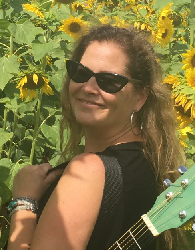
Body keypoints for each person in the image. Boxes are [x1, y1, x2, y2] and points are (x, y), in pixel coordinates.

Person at [7, 25, 186, 250]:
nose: (89, 87)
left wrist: (24, 201)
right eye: (80, 73)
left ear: (140, 97)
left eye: (109, 81)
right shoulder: (152, 161)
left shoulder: (88, 170)